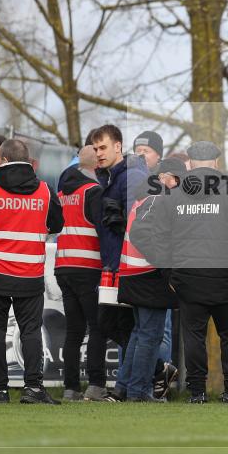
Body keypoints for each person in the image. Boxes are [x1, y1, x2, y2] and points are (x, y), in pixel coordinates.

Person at [135, 143, 228, 403]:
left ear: (189, 163)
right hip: (227, 277)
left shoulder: (172, 196)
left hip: (188, 279)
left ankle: (197, 392)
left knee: (193, 335)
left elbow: (157, 238)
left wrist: (170, 274)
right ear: (216, 162)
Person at [0, 139, 63, 404]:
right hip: (29, 274)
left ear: (1, 160)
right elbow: (56, 223)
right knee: (31, 332)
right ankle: (33, 388)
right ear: (28, 161)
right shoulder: (45, 191)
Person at [114, 158, 185, 403]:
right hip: (148, 276)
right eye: (177, 181)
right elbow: (143, 234)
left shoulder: (144, 196)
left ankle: (124, 387)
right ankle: (139, 391)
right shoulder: (158, 198)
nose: (178, 188)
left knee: (139, 333)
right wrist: (168, 270)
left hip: (133, 274)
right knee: (150, 336)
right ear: (168, 177)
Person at [92, 124, 148, 401]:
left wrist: (122, 221)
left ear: (118, 146)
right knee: (117, 326)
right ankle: (135, 383)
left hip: (128, 265)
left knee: (123, 326)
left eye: (103, 147)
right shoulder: (109, 177)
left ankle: (138, 383)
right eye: (95, 149)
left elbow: (142, 221)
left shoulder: (132, 176)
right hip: (113, 263)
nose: (99, 153)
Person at [55, 143, 108, 402]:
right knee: (97, 327)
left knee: (74, 331)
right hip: (88, 268)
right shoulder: (94, 192)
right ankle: (96, 385)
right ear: (96, 166)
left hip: (63, 267)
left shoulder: (63, 192)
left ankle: (71, 388)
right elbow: (103, 231)